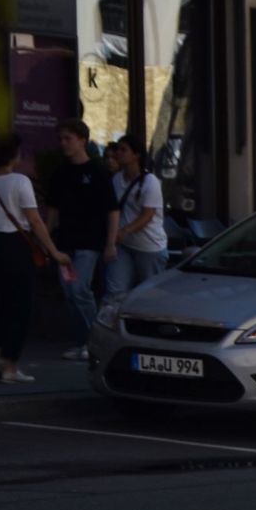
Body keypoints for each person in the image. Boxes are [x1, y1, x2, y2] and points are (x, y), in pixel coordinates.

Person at [0, 131, 72, 385]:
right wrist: (54, 251)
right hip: (15, 246)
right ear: (14, 154)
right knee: (21, 308)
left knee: (3, 305)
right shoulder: (20, 181)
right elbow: (34, 221)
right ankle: (10, 365)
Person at [46, 119, 115, 358]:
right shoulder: (61, 173)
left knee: (79, 289)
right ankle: (81, 341)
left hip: (89, 242)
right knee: (69, 291)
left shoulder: (98, 172)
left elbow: (111, 209)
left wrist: (110, 242)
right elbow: (53, 209)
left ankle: (92, 341)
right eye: (62, 139)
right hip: (66, 243)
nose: (63, 143)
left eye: (68, 139)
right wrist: (48, 240)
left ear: (82, 141)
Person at [105, 136, 168, 295]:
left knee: (149, 293)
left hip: (148, 247)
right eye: (118, 149)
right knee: (115, 290)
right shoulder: (117, 179)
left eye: (123, 150)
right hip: (123, 246)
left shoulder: (150, 181)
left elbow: (147, 215)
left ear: (136, 155)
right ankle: (115, 319)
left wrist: (125, 231)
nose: (119, 153)